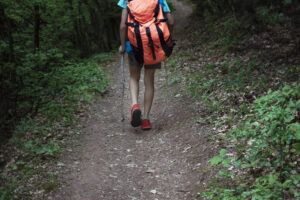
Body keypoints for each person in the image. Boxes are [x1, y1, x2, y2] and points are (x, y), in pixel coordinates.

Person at [118, 0, 174, 130]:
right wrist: (166, 40)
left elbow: (122, 26)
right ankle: (146, 119)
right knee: (149, 80)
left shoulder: (126, 0)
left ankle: (135, 105)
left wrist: (122, 45)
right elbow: (170, 22)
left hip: (133, 45)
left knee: (134, 77)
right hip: (153, 46)